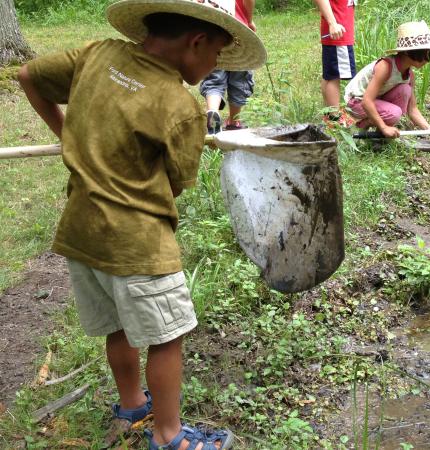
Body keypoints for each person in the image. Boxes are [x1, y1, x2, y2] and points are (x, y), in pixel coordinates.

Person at [16, 0, 265, 448]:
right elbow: (178, 182)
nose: (215, 66)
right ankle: (169, 436)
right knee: (169, 336)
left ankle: (132, 403)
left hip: (81, 229)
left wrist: (70, 137)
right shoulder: (180, 107)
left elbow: (29, 76)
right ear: (196, 41)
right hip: (138, 244)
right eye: (216, 56)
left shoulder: (97, 54)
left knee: (118, 325)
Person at [344, 21, 430, 138]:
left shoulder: (409, 75)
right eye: (424, 52)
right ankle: (364, 125)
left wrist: (428, 129)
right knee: (394, 113)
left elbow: (412, 109)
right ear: (409, 52)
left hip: (376, 101)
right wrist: (384, 127)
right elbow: (366, 101)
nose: (427, 58)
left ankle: (379, 136)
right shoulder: (385, 67)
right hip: (356, 102)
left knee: (405, 90)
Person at [200, 0, 257, 134]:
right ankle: (233, 121)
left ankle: (212, 112)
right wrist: (249, 20)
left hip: (212, 24)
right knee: (240, 76)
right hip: (237, 26)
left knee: (214, 76)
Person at [313, 0, 356, 119]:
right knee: (333, 77)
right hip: (338, 31)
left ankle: (329, 116)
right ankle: (335, 118)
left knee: (329, 75)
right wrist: (333, 23)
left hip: (340, 30)